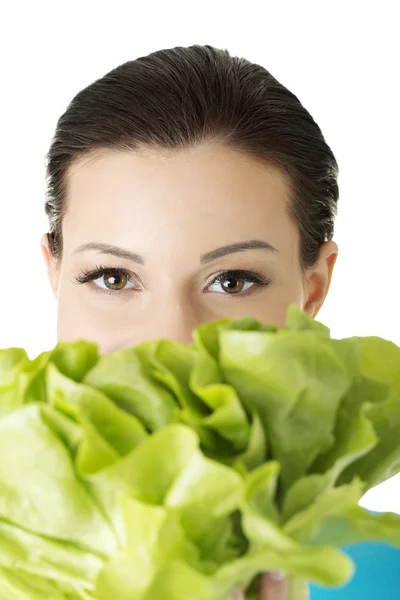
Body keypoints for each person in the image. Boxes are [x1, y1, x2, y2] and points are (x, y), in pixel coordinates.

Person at [40, 45, 399, 599]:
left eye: (232, 282)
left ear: (313, 289)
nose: (171, 342)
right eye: (113, 277)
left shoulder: (377, 577)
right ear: (55, 274)